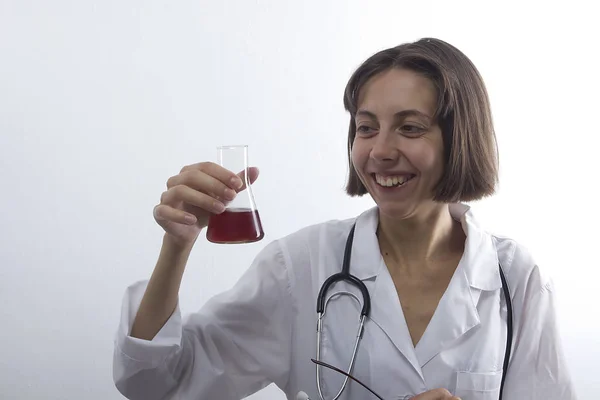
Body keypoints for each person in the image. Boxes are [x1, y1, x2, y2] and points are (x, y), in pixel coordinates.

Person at [112, 38, 576, 400]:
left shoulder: (515, 279)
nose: (380, 151)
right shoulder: (301, 267)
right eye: (366, 127)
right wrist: (177, 246)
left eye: (410, 127)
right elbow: (159, 386)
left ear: (460, 138)